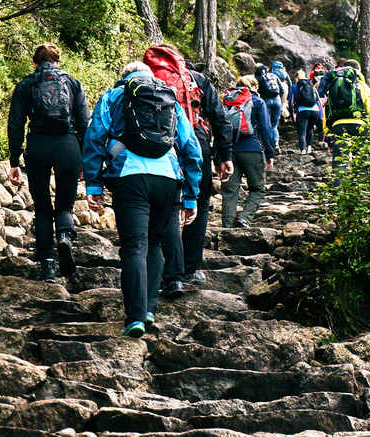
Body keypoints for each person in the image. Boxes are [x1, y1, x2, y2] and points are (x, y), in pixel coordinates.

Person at [82, 62, 202, 337]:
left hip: (130, 176)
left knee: (134, 247)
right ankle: (149, 309)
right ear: (151, 77)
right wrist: (191, 196)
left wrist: (93, 183)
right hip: (169, 177)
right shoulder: (170, 98)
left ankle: (135, 317)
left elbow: (95, 137)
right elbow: (191, 147)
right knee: (156, 242)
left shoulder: (114, 96)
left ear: (124, 78)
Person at [143, 45, 234, 297]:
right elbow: (219, 118)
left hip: (156, 145)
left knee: (165, 206)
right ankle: (189, 269)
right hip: (197, 141)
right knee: (200, 203)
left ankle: (162, 270)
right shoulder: (198, 79)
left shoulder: (144, 78)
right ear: (182, 61)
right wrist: (223, 155)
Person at [7, 43, 90, 283]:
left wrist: (15, 160)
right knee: (65, 205)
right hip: (68, 145)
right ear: (58, 62)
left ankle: (47, 265)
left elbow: (16, 124)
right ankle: (64, 236)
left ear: (35, 63)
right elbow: (85, 123)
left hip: (38, 145)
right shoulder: (72, 83)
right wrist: (85, 159)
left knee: (42, 207)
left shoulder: (25, 84)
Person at [220, 75, 275, 228]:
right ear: (255, 87)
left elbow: (217, 128)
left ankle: (227, 225)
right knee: (258, 188)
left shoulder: (226, 101)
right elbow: (265, 128)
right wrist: (269, 153)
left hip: (228, 151)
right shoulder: (257, 101)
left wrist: (217, 155)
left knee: (229, 190)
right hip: (252, 149)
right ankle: (244, 218)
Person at [318, 58, 370, 182]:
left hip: (338, 126)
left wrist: (328, 135)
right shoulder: (362, 85)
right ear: (358, 70)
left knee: (340, 161)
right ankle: (357, 192)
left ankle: (338, 193)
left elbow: (327, 111)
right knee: (361, 160)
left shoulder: (334, 85)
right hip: (360, 125)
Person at [289, 69, 321, 154]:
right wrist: (321, 116)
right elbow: (318, 101)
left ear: (296, 78)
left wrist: (293, 116)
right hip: (315, 111)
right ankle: (309, 148)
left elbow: (291, 102)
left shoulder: (294, 87)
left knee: (301, 132)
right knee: (310, 129)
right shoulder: (311, 86)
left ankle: (303, 150)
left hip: (302, 111)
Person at [254, 64, 284, 151]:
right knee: (274, 126)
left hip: (265, 102)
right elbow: (282, 89)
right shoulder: (274, 76)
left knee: (265, 124)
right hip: (277, 101)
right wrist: (278, 98)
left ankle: (264, 145)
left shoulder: (258, 78)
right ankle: (276, 145)